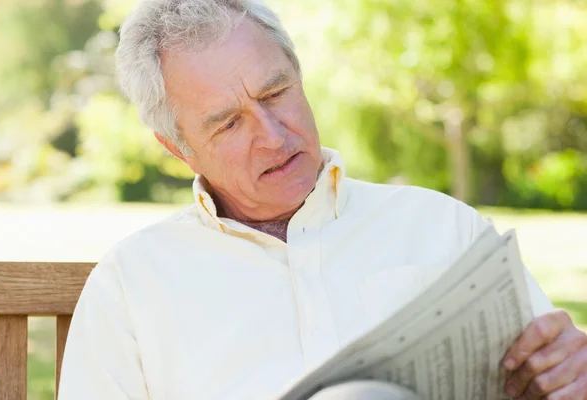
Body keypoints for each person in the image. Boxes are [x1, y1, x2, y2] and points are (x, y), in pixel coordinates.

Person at [58, 0, 587, 399]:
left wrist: (569, 372)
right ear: (178, 149)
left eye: (275, 93)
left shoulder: (441, 226)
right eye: (228, 123)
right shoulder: (132, 284)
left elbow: (555, 371)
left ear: (299, 77)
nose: (272, 134)